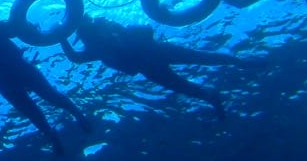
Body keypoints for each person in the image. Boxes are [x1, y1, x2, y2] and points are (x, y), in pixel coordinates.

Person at [0, 5, 92, 155]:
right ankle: (61, 129)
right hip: (12, 74)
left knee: (44, 100)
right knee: (40, 103)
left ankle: (69, 122)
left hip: (12, 73)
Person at [62, 15, 264, 120]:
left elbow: (75, 57)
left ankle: (239, 64)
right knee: (188, 79)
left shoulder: (102, 32)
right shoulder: (95, 46)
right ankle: (215, 95)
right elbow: (76, 58)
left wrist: (61, 36)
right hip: (150, 62)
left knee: (202, 60)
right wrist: (62, 37)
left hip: (153, 56)